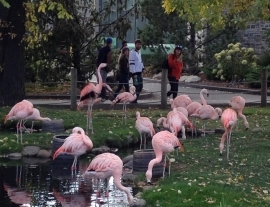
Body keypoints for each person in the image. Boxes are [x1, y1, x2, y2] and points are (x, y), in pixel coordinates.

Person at [129, 39, 144, 103]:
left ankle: (135, 98)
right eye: (138, 44)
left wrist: (143, 68)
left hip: (139, 72)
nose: (139, 45)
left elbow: (140, 62)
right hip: (135, 73)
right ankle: (133, 100)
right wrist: (134, 73)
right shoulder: (132, 52)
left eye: (140, 44)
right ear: (135, 45)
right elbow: (131, 63)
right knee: (136, 86)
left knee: (140, 86)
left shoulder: (139, 53)